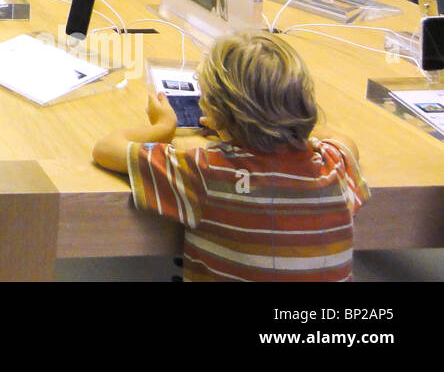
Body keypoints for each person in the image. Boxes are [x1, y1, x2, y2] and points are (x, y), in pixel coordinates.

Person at [92, 32, 367, 282]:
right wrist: (269, 120)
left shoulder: (207, 170)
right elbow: (345, 141)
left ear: (215, 110)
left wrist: (162, 128)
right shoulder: (334, 166)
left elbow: (106, 149)